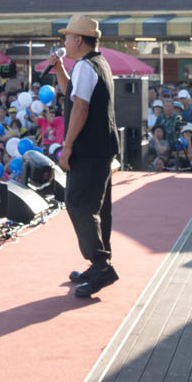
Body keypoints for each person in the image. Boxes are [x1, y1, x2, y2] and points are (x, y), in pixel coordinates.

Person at [53, 15, 118, 298]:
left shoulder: (84, 66)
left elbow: (80, 107)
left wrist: (67, 146)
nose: (65, 42)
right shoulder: (97, 63)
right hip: (101, 147)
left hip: (88, 149)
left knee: (79, 204)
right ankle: (99, 262)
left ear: (78, 39)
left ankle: (101, 266)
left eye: (67, 37)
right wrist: (59, 68)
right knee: (97, 207)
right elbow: (71, 92)